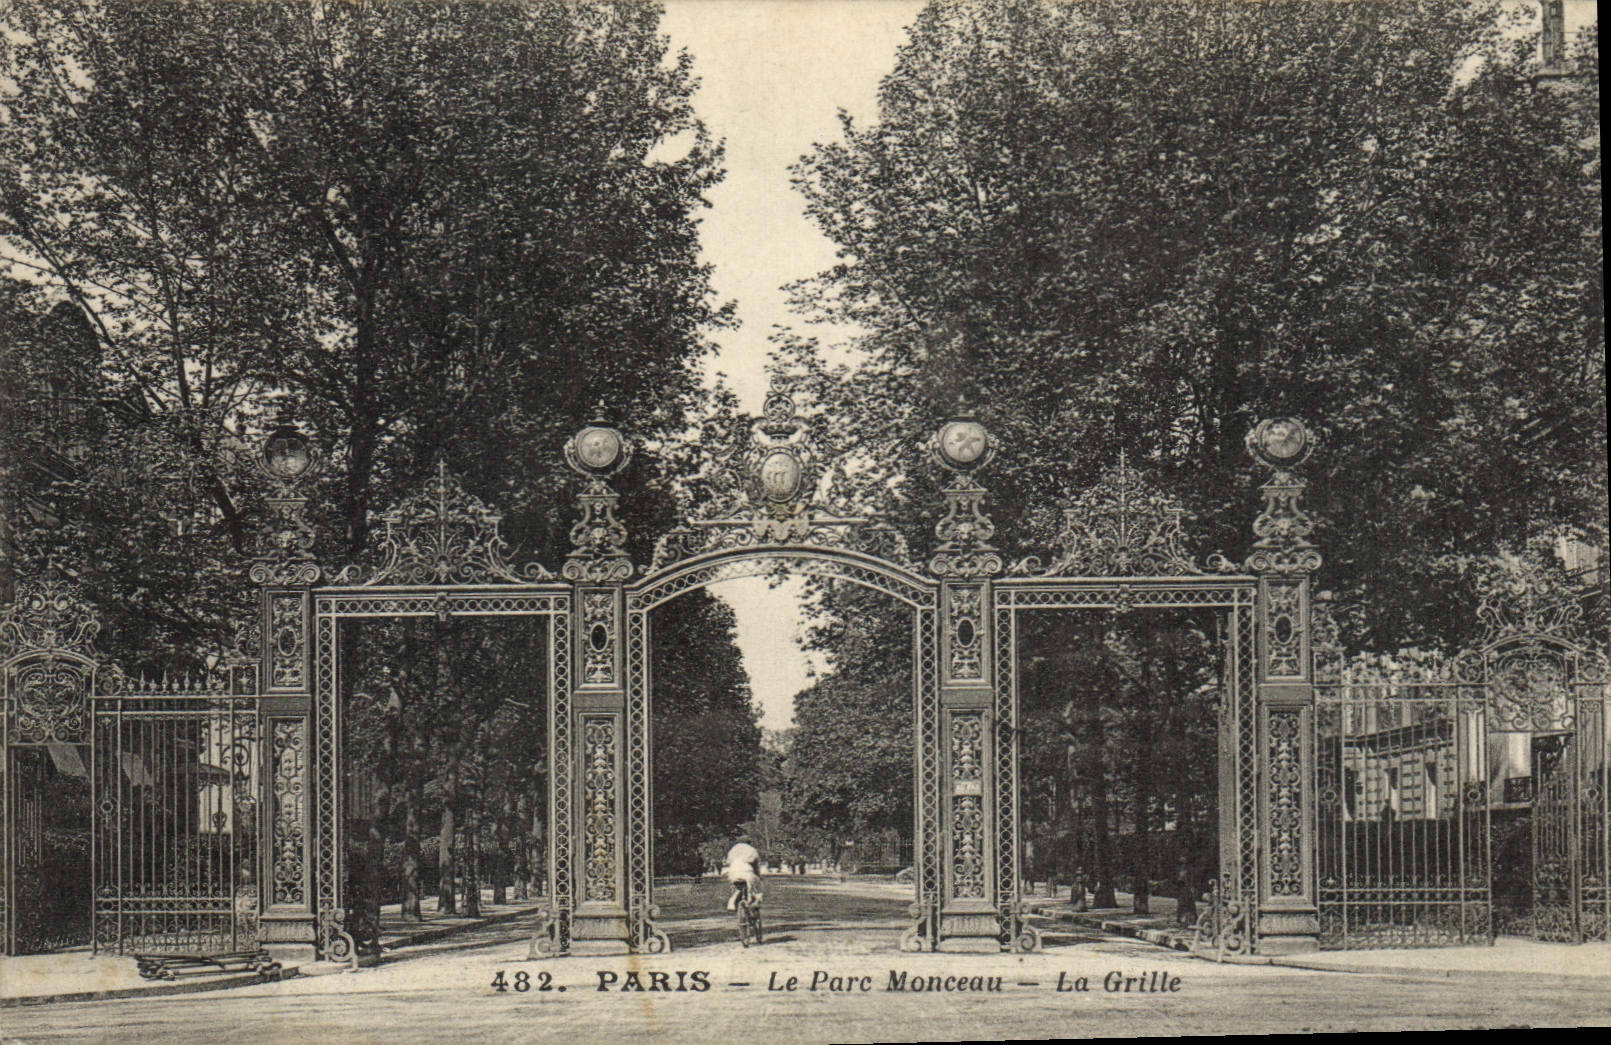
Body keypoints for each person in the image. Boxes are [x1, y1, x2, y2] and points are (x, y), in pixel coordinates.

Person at [723, 835, 763, 912]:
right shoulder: (752, 850)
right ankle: (754, 901)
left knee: (735, 888)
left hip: (733, 872)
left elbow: (728, 862)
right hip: (747, 872)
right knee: (756, 887)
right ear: (749, 842)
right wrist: (758, 875)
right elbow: (757, 865)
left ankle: (731, 903)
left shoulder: (733, 850)